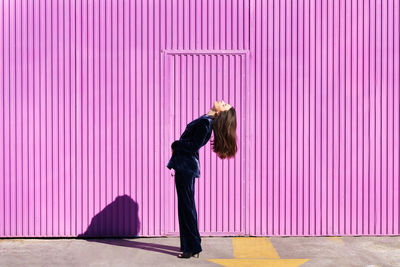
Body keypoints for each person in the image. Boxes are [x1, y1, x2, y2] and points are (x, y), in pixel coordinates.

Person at [166, 100, 238, 259]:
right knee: (187, 206)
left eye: (225, 105)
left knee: (186, 207)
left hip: (186, 168)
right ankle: (192, 244)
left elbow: (192, 146)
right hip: (186, 167)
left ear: (220, 113)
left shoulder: (206, 123)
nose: (222, 102)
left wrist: (175, 144)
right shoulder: (206, 120)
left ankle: (191, 247)